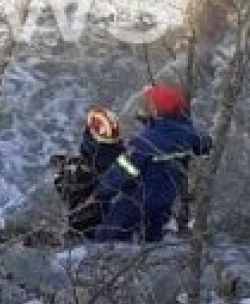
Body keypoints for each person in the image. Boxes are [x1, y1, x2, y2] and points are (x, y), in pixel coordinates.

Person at [94, 84, 212, 243]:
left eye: (150, 105)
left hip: (137, 202)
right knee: (152, 243)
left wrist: (100, 195)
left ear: (157, 111)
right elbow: (205, 144)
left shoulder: (143, 142)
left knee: (106, 238)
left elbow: (120, 174)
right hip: (165, 201)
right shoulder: (189, 135)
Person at [52, 106, 125, 239]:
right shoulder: (124, 157)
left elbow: (64, 191)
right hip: (111, 219)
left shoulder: (79, 169)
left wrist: (59, 173)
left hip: (85, 229)